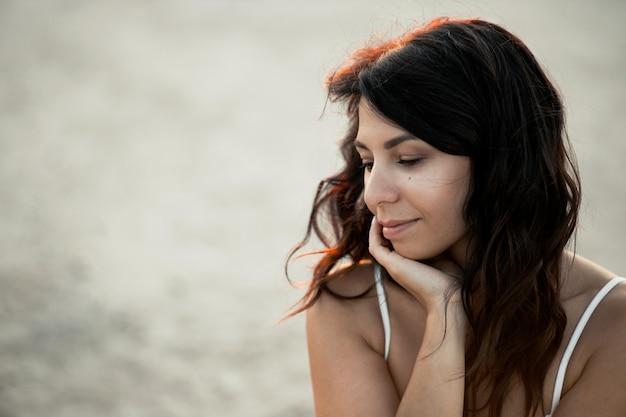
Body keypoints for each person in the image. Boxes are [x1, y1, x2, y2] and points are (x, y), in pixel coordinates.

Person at [285, 17, 626, 417]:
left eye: (409, 159)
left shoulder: (610, 326)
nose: (375, 194)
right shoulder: (351, 305)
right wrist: (444, 315)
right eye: (367, 162)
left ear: (498, 158)